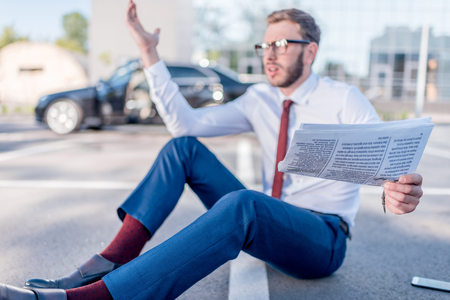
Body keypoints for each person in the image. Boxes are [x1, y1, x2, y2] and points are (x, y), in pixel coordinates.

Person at [0, 1, 424, 300]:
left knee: (246, 206)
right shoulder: (260, 98)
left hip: (322, 240)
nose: (268, 56)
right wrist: (150, 53)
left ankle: (98, 299)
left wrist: (397, 192)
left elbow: (386, 164)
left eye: (280, 45)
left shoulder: (344, 99)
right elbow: (188, 124)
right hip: (271, 226)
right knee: (183, 148)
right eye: (264, 47)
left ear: (310, 51)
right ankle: (106, 264)